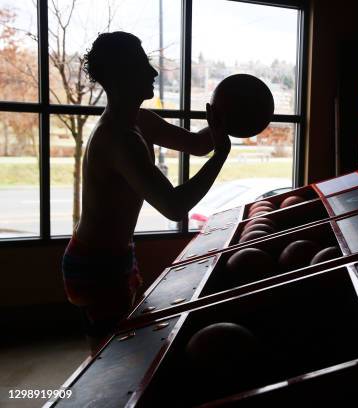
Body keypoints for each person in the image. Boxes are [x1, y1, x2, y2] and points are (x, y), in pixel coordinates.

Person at [61, 31, 231, 352]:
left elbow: (196, 144)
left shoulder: (141, 121)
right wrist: (221, 155)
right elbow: (174, 206)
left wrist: (225, 121)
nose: (153, 72)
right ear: (123, 74)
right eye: (143, 65)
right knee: (112, 360)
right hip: (96, 264)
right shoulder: (118, 138)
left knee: (129, 349)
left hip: (116, 255)